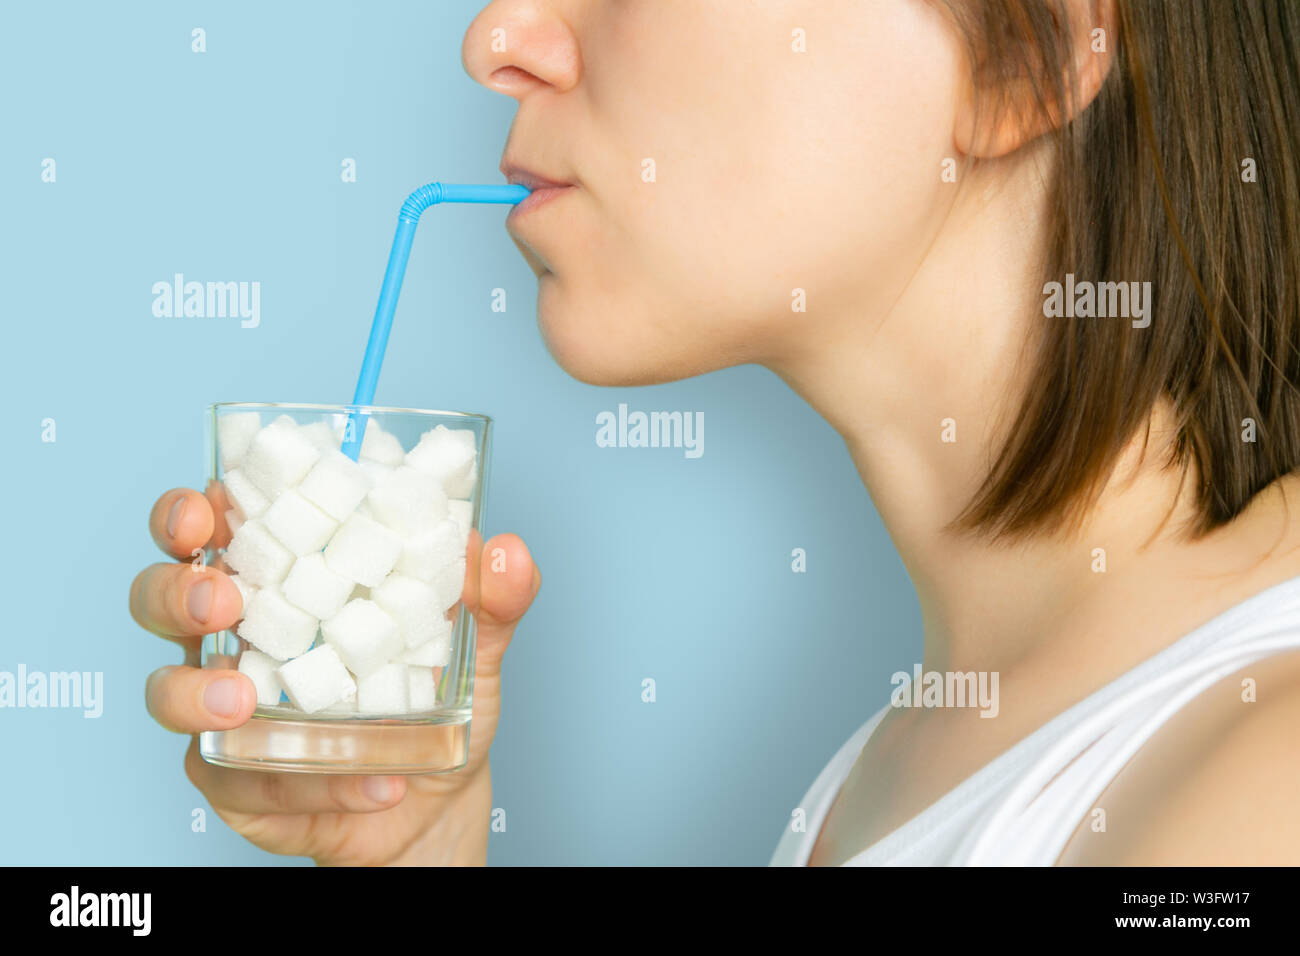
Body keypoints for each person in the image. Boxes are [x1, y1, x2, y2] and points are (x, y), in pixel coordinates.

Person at [131, 0, 1300, 865]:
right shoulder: (925, 760)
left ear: (1027, 53)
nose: (499, 37)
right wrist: (413, 843)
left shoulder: (1259, 789)